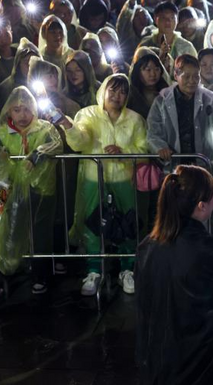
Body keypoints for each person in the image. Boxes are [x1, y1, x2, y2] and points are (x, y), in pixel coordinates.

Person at [136, 164, 213, 384]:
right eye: (212, 196)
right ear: (201, 206)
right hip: (207, 359)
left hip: (163, 359)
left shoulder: (146, 247)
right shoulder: (211, 249)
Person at [60, 74, 148, 296]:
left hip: (123, 180)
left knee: (128, 222)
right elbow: (79, 141)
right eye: (113, 90)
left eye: (122, 92)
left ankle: (127, 269)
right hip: (93, 178)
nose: (117, 96)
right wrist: (67, 126)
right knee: (92, 223)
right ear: (103, 91)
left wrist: (125, 153)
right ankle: (94, 269)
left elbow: (145, 151)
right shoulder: (88, 114)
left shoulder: (135, 119)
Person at [0, 86, 63, 293]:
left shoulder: (45, 129)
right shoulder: (3, 133)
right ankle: (5, 273)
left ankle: (40, 273)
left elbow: (55, 145)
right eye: (17, 109)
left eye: (27, 109)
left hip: (40, 189)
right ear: (8, 112)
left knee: (40, 232)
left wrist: (36, 155)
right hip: (9, 189)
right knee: (8, 229)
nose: (22, 115)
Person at [147, 55, 213, 162]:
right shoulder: (161, 101)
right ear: (176, 75)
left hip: (202, 162)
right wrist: (160, 147)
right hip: (174, 163)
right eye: (186, 76)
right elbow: (153, 133)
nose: (192, 81)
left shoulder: (208, 97)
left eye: (196, 76)